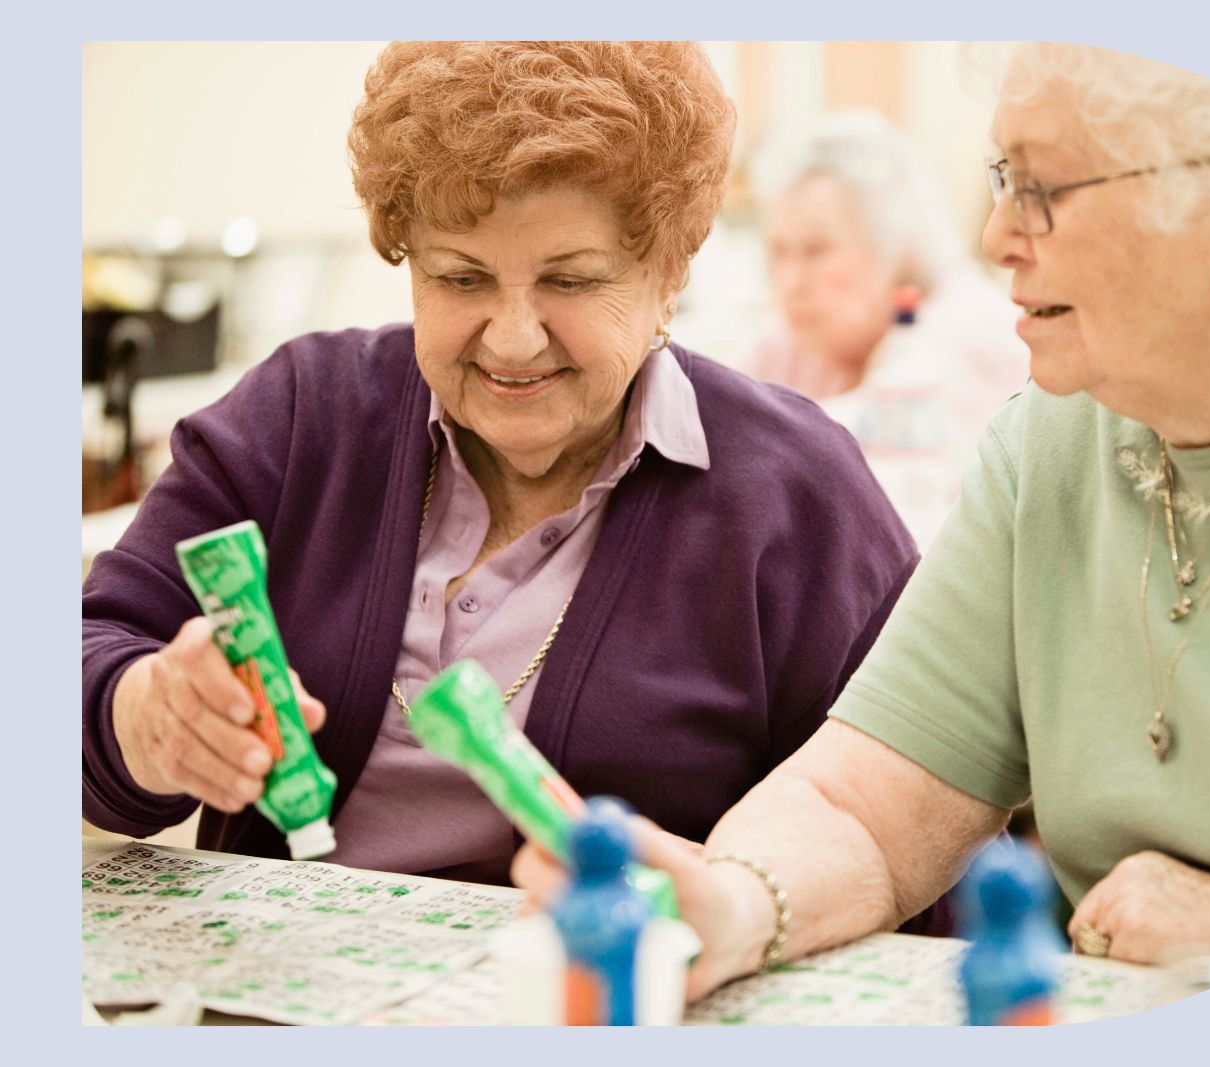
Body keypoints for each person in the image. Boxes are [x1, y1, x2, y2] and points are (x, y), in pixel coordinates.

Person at [514, 42, 1210, 998]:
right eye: (1000, 179)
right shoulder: (1055, 435)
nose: (993, 237)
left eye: (1040, 188)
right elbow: (866, 802)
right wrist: (734, 900)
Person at [81, 42, 921, 892]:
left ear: (668, 275)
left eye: (570, 280)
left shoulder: (797, 496)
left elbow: (913, 825)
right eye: (461, 277)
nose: (513, 339)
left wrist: (762, 893)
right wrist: (143, 712)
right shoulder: (301, 417)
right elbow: (86, 651)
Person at [749, 110, 1029, 547]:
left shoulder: (970, 336)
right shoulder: (791, 341)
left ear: (898, 251)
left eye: (816, 250)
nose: (790, 282)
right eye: (778, 252)